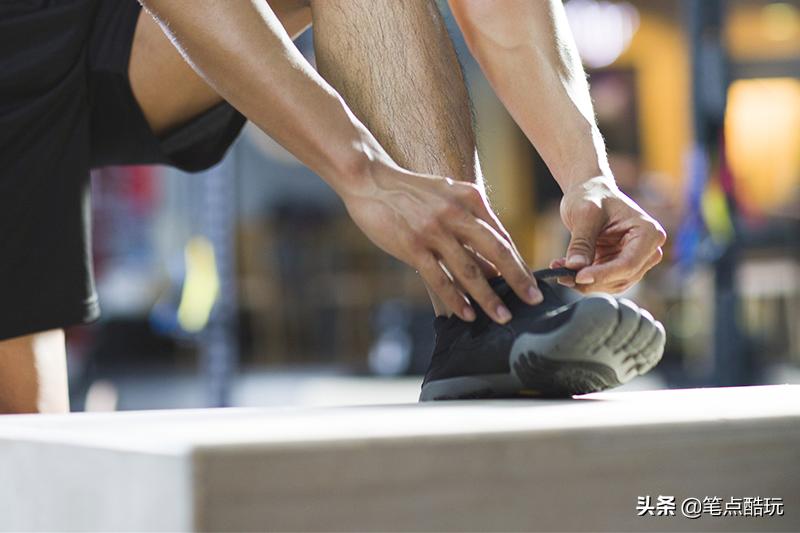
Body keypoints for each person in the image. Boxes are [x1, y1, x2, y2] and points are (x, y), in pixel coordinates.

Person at [0, 0, 666, 413]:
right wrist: (363, 173)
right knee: (25, 444)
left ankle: (477, 309)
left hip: (91, 28)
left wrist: (587, 172)